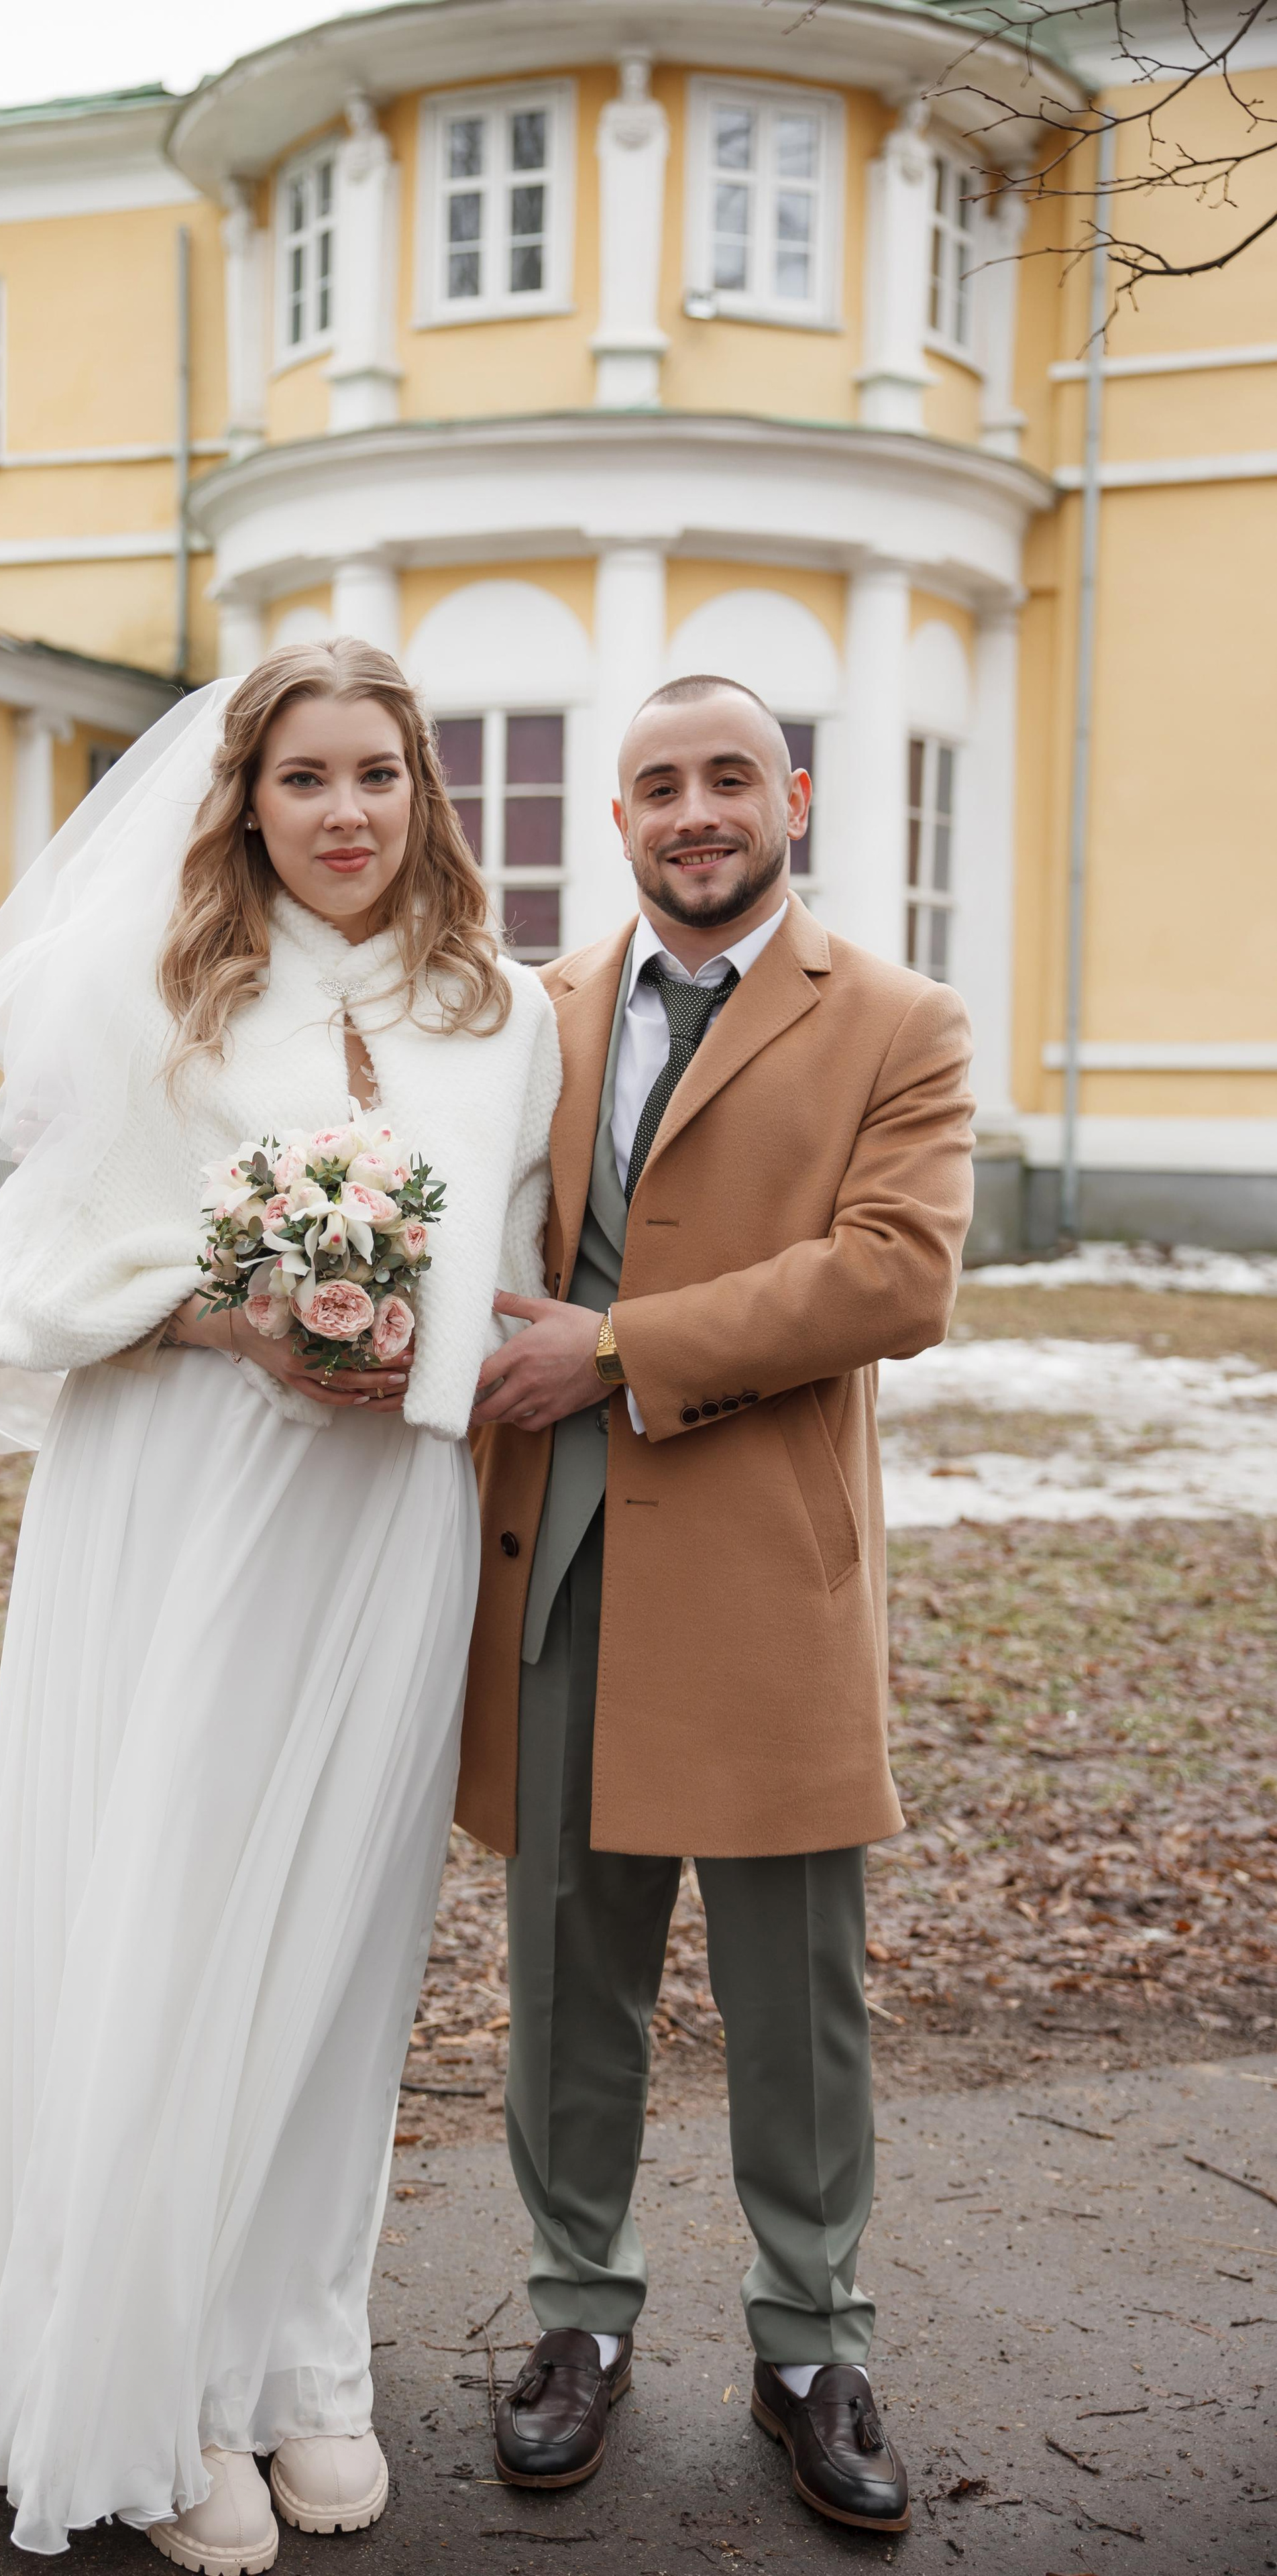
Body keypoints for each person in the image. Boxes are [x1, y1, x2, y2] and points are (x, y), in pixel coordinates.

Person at [0, 641, 560, 2567]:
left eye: (378, 776)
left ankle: (294, 2362)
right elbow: (26, 1281)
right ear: (244, 801)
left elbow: (504, 1266)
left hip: (391, 1531)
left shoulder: (499, 1012)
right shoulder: (156, 987)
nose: (347, 815)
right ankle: (154, 2395)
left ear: (425, 793)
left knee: (341, 1950)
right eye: (304, 779)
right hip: (187, 1504)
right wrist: (228, 1316)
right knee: (168, 1928)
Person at [463, 674, 974, 2539]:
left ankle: (812, 2343)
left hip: (764, 1560)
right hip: (565, 1550)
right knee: (565, 1971)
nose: (697, 810)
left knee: (797, 1995)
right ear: (619, 820)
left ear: (796, 798)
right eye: (660, 784)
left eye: (730, 778)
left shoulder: (900, 1021)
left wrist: (621, 1346)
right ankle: (576, 2318)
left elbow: (895, 1278)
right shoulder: (537, 1015)